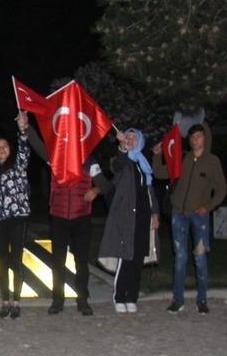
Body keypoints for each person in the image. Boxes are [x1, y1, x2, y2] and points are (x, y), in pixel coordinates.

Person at [27, 123, 109, 316]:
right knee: (58, 261)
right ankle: (58, 300)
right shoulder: (56, 159)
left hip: (81, 218)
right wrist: (27, 128)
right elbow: (38, 146)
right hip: (58, 218)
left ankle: (83, 300)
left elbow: (105, 184)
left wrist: (95, 190)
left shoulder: (89, 161)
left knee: (81, 261)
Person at [152, 123, 225, 314]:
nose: (195, 140)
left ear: (205, 138)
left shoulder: (212, 161)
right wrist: (158, 155)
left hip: (199, 216)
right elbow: (160, 173)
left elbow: (221, 189)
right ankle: (178, 299)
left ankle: (202, 300)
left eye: (199, 136)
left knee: (200, 258)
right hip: (179, 214)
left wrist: (207, 206)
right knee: (180, 258)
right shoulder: (183, 158)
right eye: (192, 137)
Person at [98, 129, 160, 313]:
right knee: (126, 257)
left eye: (135, 138)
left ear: (140, 141)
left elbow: (150, 191)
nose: (131, 140)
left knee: (138, 258)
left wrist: (155, 212)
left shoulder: (143, 163)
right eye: (129, 137)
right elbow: (117, 165)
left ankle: (132, 296)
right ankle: (120, 296)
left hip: (143, 217)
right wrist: (122, 147)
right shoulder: (124, 161)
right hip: (126, 217)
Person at [0, 113, 30, 319]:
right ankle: (5, 301)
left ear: (9, 149)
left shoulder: (18, 166)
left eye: (5, 146)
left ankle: (17, 301)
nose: (2, 149)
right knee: (2, 261)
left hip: (17, 218)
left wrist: (22, 130)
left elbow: (24, 150)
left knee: (16, 260)